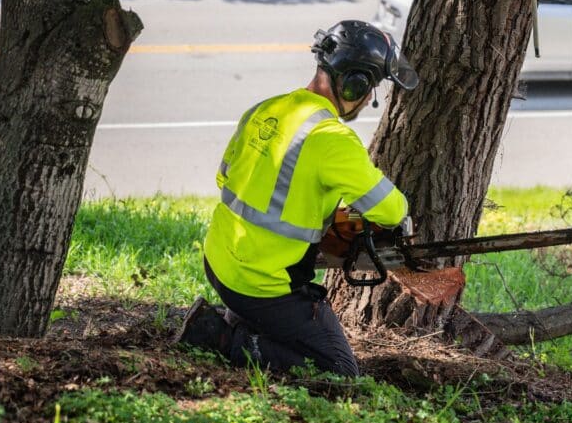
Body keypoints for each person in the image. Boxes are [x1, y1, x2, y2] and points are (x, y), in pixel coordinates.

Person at [177, 20, 418, 377]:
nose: (369, 100)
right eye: (371, 89)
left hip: (219, 263)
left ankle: (242, 320)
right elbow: (392, 208)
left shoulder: (267, 109)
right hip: (261, 285)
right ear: (356, 82)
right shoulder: (331, 138)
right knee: (339, 368)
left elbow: (226, 178)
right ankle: (221, 337)